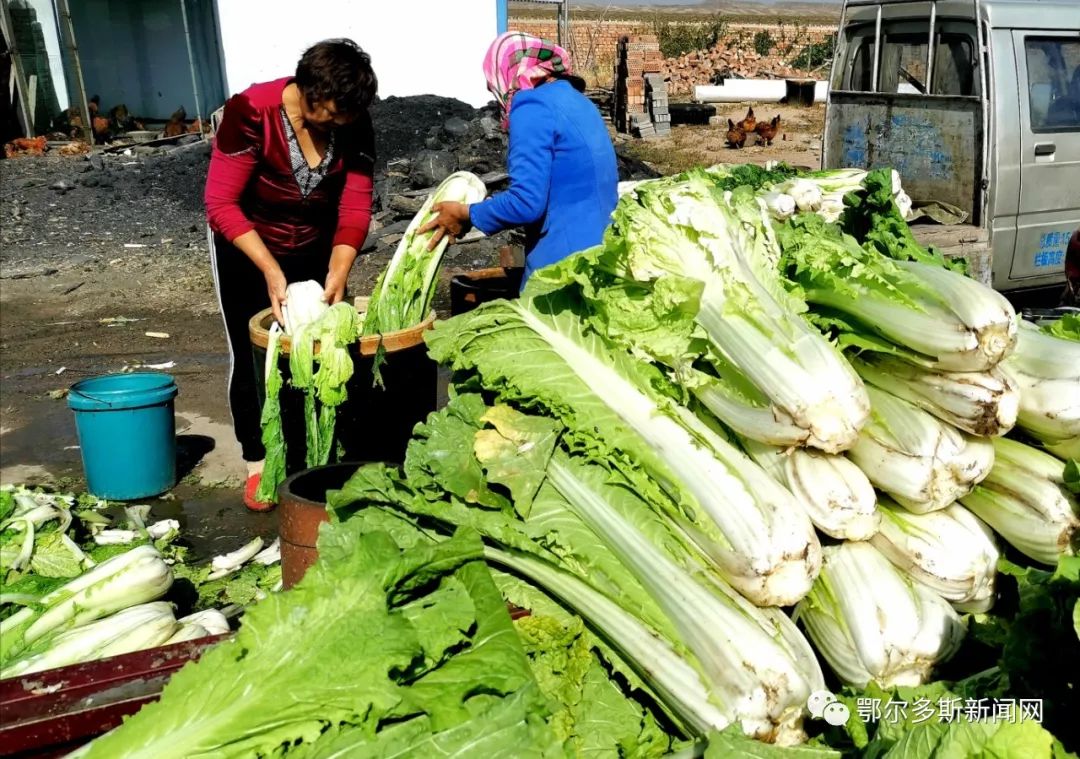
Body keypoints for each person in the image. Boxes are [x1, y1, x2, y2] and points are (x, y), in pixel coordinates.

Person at [204, 39, 377, 511]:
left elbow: (356, 203)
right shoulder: (251, 112)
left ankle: (314, 454)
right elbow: (221, 204)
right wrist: (270, 270)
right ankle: (257, 460)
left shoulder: (354, 121)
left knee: (322, 347)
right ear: (308, 91)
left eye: (348, 116)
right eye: (332, 114)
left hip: (316, 244)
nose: (340, 125)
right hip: (247, 245)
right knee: (254, 352)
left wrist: (339, 268)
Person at [419, 31, 618, 287]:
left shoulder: (532, 105)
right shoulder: (577, 100)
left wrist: (465, 213)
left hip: (562, 270)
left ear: (506, 73)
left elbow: (526, 202)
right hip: (602, 254)